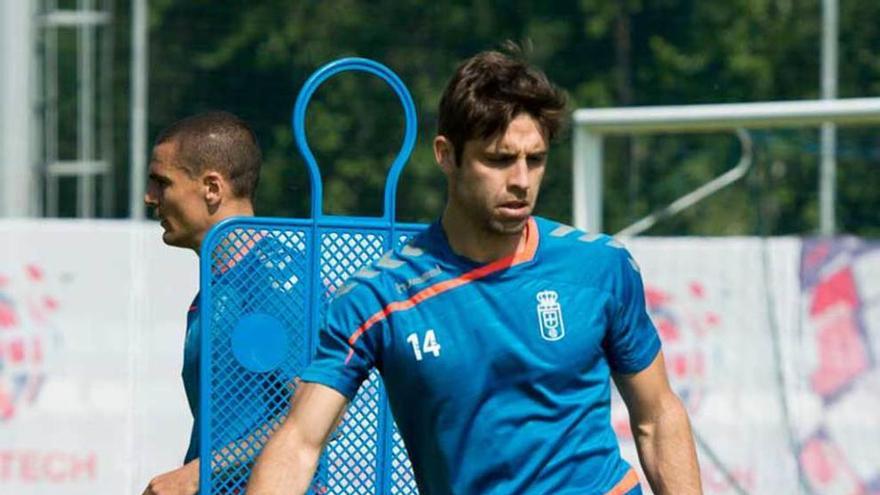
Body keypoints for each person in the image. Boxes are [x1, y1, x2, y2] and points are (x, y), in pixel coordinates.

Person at [247, 48, 702, 495]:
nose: (522, 180)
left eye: (536, 159)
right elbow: (301, 442)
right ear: (446, 155)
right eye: (499, 159)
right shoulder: (377, 298)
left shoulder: (602, 267)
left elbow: (657, 417)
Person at [142, 112, 325, 495]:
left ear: (212, 187)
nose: (150, 197)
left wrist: (196, 474)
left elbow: (318, 414)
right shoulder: (216, 288)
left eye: (162, 183)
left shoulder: (276, 278)